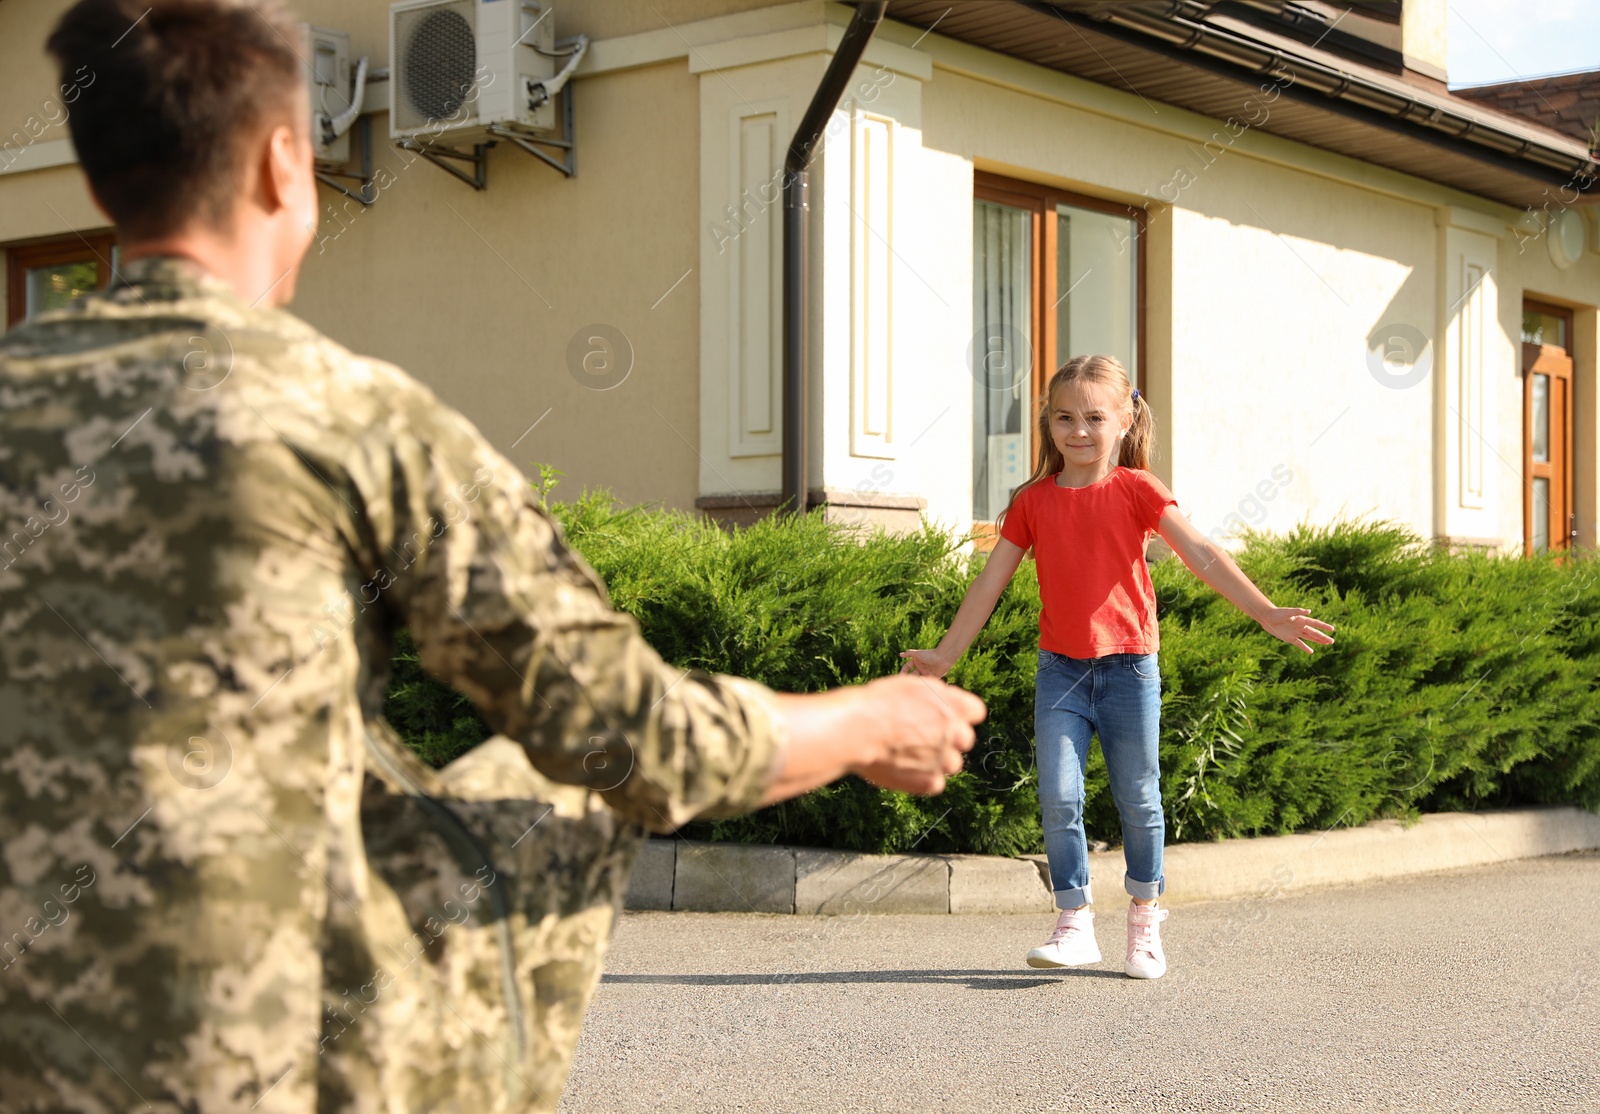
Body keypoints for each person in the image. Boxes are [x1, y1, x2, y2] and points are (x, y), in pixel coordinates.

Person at [0, 1, 985, 1110]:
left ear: (97, 185)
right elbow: (630, 740)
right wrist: (865, 720)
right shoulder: (349, 418)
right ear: (287, 162)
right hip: (263, 1067)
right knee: (557, 787)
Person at [901, 354, 1334, 980]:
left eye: (1095, 417)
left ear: (1127, 418)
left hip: (1130, 668)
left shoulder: (1138, 490)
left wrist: (1265, 612)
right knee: (1059, 795)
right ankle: (1074, 922)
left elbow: (1203, 555)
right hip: (1061, 672)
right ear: (1047, 423)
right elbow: (988, 585)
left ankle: (1144, 920)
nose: (1079, 430)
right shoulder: (1031, 502)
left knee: (1138, 797)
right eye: (1063, 417)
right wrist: (945, 656)